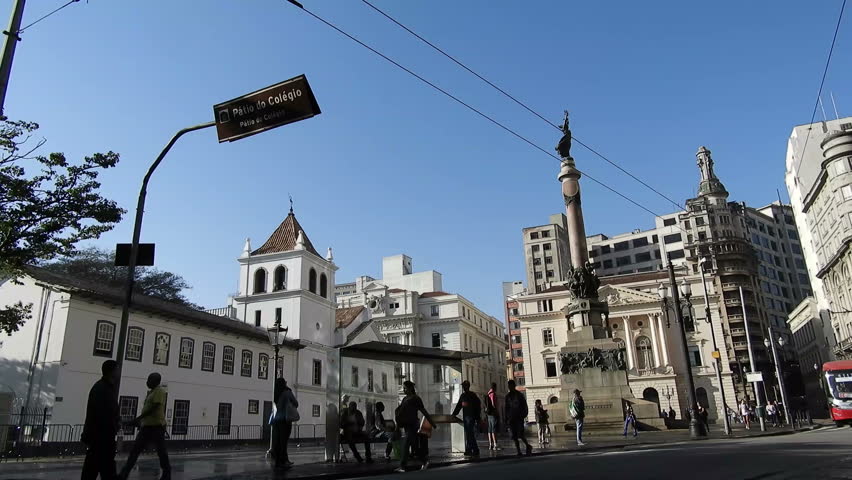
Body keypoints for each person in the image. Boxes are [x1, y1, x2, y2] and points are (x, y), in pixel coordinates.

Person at [118, 373, 171, 480]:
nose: (147, 382)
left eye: (149, 380)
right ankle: (124, 473)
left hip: (157, 426)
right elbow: (148, 409)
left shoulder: (160, 391)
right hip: (147, 426)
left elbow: (154, 408)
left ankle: (167, 473)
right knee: (135, 450)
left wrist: (139, 418)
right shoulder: (151, 392)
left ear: (156, 381)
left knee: (161, 452)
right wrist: (141, 421)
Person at [81, 360, 120, 480]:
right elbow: (104, 414)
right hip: (101, 437)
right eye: (117, 369)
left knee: (94, 469)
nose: (119, 372)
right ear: (112, 371)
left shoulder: (102, 387)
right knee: (99, 469)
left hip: (100, 437)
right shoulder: (103, 389)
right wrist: (114, 425)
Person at [394, 381, 436, 473]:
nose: (403, 390)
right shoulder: (405, 399)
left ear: (410, 388)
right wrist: (398, 425)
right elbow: (400, 413)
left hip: (413, 425)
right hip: (407, 425)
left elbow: (423, 411)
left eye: (405, 388)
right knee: (414, 447)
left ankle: (403, 466)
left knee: (406, 445)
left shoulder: (416, 399)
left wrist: (432, 422)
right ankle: (424, 461)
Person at [271, 378, 298, 469]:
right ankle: (284, 460)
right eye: (285, 382)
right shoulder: (287, 392)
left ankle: (278, 461)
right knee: (284, 441)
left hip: (276, 419)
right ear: (284, 384)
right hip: (285, 420)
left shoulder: (274, 392)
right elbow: (296, 403)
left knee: (277, 441)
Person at [452, 380, 481, 457]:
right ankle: (469, 449)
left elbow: (477, 406)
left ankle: (475, 449)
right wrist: (454, 414)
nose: (463, 387)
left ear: (466, 386)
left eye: (464, 386)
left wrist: (477, 417)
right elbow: (459, 406)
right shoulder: (465, 396)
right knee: (468, 434)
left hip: (470, 417)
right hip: (467, 417)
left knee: (470, 434)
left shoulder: (470, 396)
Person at [504, 380, 532, 456]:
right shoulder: (508, 396)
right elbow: (506, 408)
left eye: (511, 385)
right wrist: (506, 418)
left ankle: (527, 445)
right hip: (511, 418)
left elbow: (524, 405)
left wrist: (524, 414)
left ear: (514, 386)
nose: (510, 387)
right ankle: (518, 451)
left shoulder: (519, 395)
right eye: (509, 386)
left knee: (520, 434)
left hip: (519, 417)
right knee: (514, 435)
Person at [484, 383, 500, 450]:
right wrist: (496, 411)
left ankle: (490, 444)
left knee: (489, 429)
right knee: (494, 429)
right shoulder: (493, 394)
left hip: (488, 414)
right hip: (493, 413)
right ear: (494, 387)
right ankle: (495, 445)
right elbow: (493, 404)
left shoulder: (488, 393)